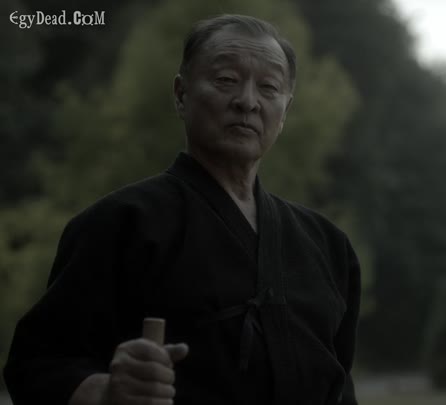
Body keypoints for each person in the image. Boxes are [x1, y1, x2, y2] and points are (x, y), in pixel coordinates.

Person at [4, 14, 360, 405]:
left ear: (285, 110)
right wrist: (106, 392)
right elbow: (36, 366)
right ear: (181, 94)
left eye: (269, 87)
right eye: (226, 79)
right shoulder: (122, 223)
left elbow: (341, 386)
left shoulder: (328, 246)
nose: (247, 101)